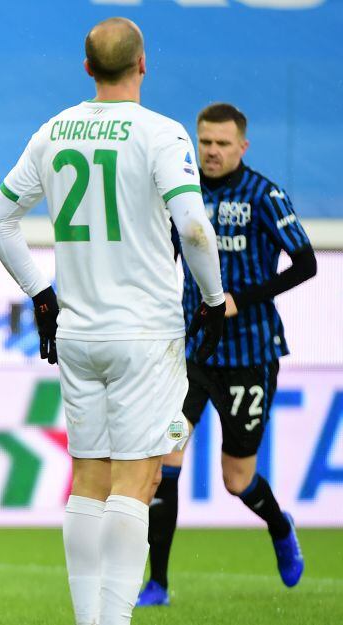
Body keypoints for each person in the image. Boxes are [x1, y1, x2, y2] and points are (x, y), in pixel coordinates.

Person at [0, 17, 226, 625]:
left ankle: (90, 621)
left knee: (87, 480)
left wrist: (42, 296)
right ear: (144, 65)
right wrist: (215, 299)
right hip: (144, 333)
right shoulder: (162, 134)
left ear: (87, 68)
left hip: (79, 332)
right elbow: (194, 228)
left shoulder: (55, 130)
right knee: (136, 483)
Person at [136, 103, 314, 607]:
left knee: (237, 480)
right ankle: (159, 583)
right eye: (205, 142)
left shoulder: (264, 194)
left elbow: (306, 264)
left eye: (221, 143)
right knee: (163, 464)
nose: (211, 152)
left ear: (242, 146)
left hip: (248, 358)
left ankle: (279, 525)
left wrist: (243, 299)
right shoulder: (180, 195)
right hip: (191, 359)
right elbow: (166, 255)